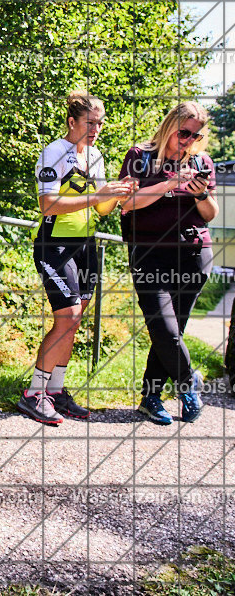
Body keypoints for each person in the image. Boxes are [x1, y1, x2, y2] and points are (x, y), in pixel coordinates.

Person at [18, 92, 134, 425]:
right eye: (90, 122)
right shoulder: (53, 153)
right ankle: (33, 394)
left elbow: (100, 208)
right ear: (72, 122)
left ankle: (55, 391)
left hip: (85, 245)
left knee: (76, 318)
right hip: (54, 245)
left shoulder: (95, 156)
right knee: (66, 316)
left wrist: (118, 194)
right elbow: (48, 205)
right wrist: (97, 194)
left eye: (100, 123)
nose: (96, 128)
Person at [117, 102, 216, 425]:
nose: (189, 140)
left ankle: (151, 397)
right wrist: (170, 184)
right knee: (164, 328)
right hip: (149, 253)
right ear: (169, 125)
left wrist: (201, 194)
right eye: (183, 132)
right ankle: (189, 382)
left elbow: (210, 215)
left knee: (175, 331)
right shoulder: (140, 157)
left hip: (193, 253)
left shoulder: (201, 162)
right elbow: (128, 202)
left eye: (195, 135)